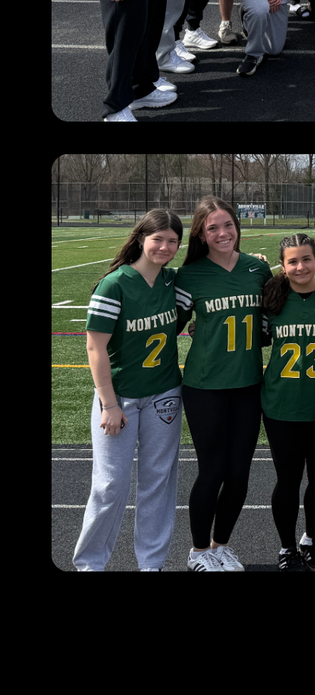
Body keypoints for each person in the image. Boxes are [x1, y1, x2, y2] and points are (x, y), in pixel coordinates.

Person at [73, 210, 184, 570]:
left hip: (164, 394)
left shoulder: (174, 283)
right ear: (141, 239)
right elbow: (95, 348)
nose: (165, 247)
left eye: (172, 241)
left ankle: (151, 564)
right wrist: (108, 403)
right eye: (158, 239)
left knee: (158, 483)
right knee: (110, 485)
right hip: (119, 397)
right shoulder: (115, 284)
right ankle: (90, 564)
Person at [174, 196, 273, 571]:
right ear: (201, 232)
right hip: (205, 385)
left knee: (239, 473)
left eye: (227, 225)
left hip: (248, 383)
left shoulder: (257, 270)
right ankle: (198, 552)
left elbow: (268, 326)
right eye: (212, 227)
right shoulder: (190, 274)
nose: (222, 233)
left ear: (238, 225)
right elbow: (171, 325)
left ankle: (220, 546)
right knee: (212, 469)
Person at [261, 234, 315, 571]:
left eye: (306, 259)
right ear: (283, 266)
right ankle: (286, 547)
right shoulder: (272, 299)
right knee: (288, 480)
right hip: (282, 405)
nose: (300, 267)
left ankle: (311, 539)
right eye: (293, 261)